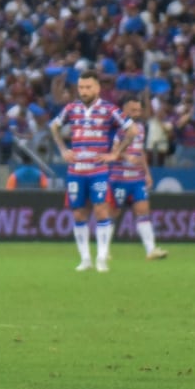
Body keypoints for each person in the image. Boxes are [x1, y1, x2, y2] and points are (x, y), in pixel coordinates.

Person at [49, 70, 137, 273]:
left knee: (101, 210)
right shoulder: (72, 108)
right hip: (76, 170)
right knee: (78, 213)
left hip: (98, 170)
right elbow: (54, 126)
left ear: (97, 88)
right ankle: (85, 259)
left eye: (88, 87)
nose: (84, 91)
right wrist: (63, 149)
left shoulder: (109, 109)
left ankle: (102, 257)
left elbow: (132, 130)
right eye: (81, 87)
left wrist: (115, 154)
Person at [110, 97, 168, 260]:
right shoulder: (116, 127)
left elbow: (140, 151)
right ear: (124, 110)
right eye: (133, 110)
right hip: (119, 177)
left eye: (139, 110)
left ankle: (151, 250)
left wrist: (147, 173)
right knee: (113, 213)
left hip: (136, 178)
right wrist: (126, 156)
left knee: (143, 211)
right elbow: (113, 150)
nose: (137, 113)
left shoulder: (141, 128)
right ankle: (104, 250)